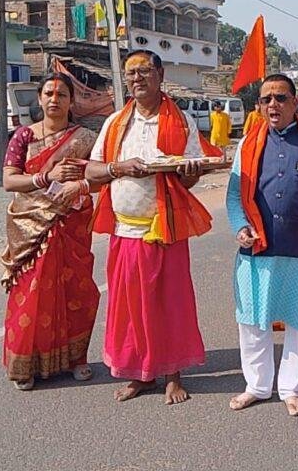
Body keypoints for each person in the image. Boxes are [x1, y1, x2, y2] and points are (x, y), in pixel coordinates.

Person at [86, 49, 211, 405]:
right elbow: (92, 171)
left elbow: (188, 176)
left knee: (169, 304)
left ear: (160, 75)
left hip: (165, 229)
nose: (137, 78)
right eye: (131, 73)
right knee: (130, 306)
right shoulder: (115, 123)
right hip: (125, 232)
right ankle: (140, 374)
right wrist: (119, 168)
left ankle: (173, 376)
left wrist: (191, 173)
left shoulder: (181, 122)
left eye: (144, 71)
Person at [226, 74, 298, 417]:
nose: (272, 105)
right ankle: (257, 386)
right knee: (251, 320)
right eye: (266, 99)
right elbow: (234, 195)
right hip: (256, 248)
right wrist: (240, 226)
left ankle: (291, 389)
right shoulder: (247, 145)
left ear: (294, 102)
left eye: (280, 98)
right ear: (259, 106)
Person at [0, 73, 100, 391]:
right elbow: (9, 181)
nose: (54, 99)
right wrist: (46, 177)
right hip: (31, 227)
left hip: (71, 223)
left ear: (71, 102)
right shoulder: (23, 136)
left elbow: (100, 178)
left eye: (62, 95)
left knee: (77, 293)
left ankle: (76, 359)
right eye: (49, 93)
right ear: (40, 99)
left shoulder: (86, 138)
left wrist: (78, 184)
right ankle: (25, 365)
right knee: (31, 295)